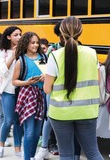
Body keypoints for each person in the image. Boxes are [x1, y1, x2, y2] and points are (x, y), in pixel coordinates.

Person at [44, 16, 103, 160]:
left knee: (66, 154)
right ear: (80, 32)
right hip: (87, 111)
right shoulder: (91, 53)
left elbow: (46, 89)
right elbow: (97, 80)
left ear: (61, 33)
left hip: (61, 113)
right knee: (93, 153)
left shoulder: (55, 56)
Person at [13, 32, 46, 160]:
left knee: (37, 131)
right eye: (32, 42)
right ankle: (27, 157)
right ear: (26, 44)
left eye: (37, 42)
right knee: (30, 130)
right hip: (27, 96)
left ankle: (31, 156)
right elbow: (14, 81)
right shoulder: (21, 60)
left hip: (40, 95)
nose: (35, 45)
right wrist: (27, 82)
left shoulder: (42, 58)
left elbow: (47, 75)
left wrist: (45, 77)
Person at [0, 26, 23, 158]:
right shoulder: (3, 52)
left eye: (20, 34)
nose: (19, 37)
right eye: (16, 35)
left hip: (21, 90)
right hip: (8, 90)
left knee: (18, 121)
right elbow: (1, 72)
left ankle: (18, 149)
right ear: (8, 37)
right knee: (8, 120)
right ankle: (0, 145)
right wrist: (12, 56)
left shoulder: (24, 51)